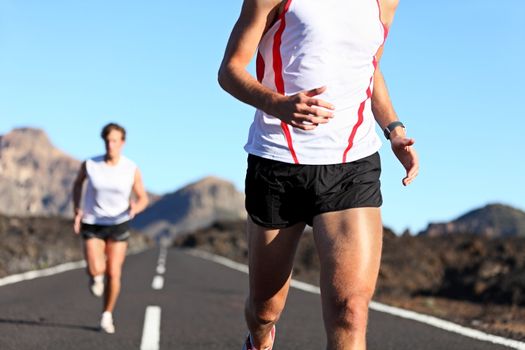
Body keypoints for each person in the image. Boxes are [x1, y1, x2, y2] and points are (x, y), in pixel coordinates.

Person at [218, 0, 418, 349]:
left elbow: (369, 67)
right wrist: (277, 104)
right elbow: (230, 70)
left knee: (350, 311)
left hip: (352, 164)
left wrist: (394, 129)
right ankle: (259, 340)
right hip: (278, 163)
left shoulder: (385, 2)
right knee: (265, 309)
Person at [72, 123, 149, 334]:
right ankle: (94, 275)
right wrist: (77, 209)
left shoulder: (131, 168)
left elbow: (143, 198)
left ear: (122, 143)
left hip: (118, 223)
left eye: (114, 140)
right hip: (93, 222)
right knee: (96, 269)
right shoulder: (90, 164)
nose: (110, 144)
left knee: (114, 272)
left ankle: (106, 315)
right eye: (107, 140)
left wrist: (136, 207)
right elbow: (78, 184)